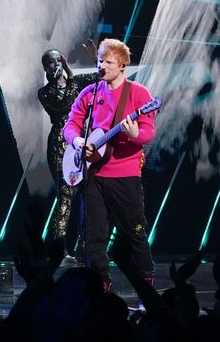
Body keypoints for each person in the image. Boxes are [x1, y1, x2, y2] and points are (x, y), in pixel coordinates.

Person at [63, 38, 156, 291]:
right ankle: (100, 284)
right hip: (92, 175)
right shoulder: (90, 93)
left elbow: (148, 132)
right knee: (93, 234)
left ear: (123, 65)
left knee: (135, 230)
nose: (102, 65)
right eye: (100, 60)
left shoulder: (139, 93)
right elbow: (70, 125)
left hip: (124, 175)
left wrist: (135, 133)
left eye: (108, 61)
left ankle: (145, 279)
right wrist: (79, 140)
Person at [37, 45, 97, 253]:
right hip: (59, 145)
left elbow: (101, 76)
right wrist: (68, 78)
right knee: (65, 195)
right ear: (45, 67)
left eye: (58, 60)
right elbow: (62, 107)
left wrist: (97, 57)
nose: (56, 64)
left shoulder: (76, 82)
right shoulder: (45, 92)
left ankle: (84, 245)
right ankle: (58, 249)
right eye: (51, 62)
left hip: (80, 144)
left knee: (86, 194)